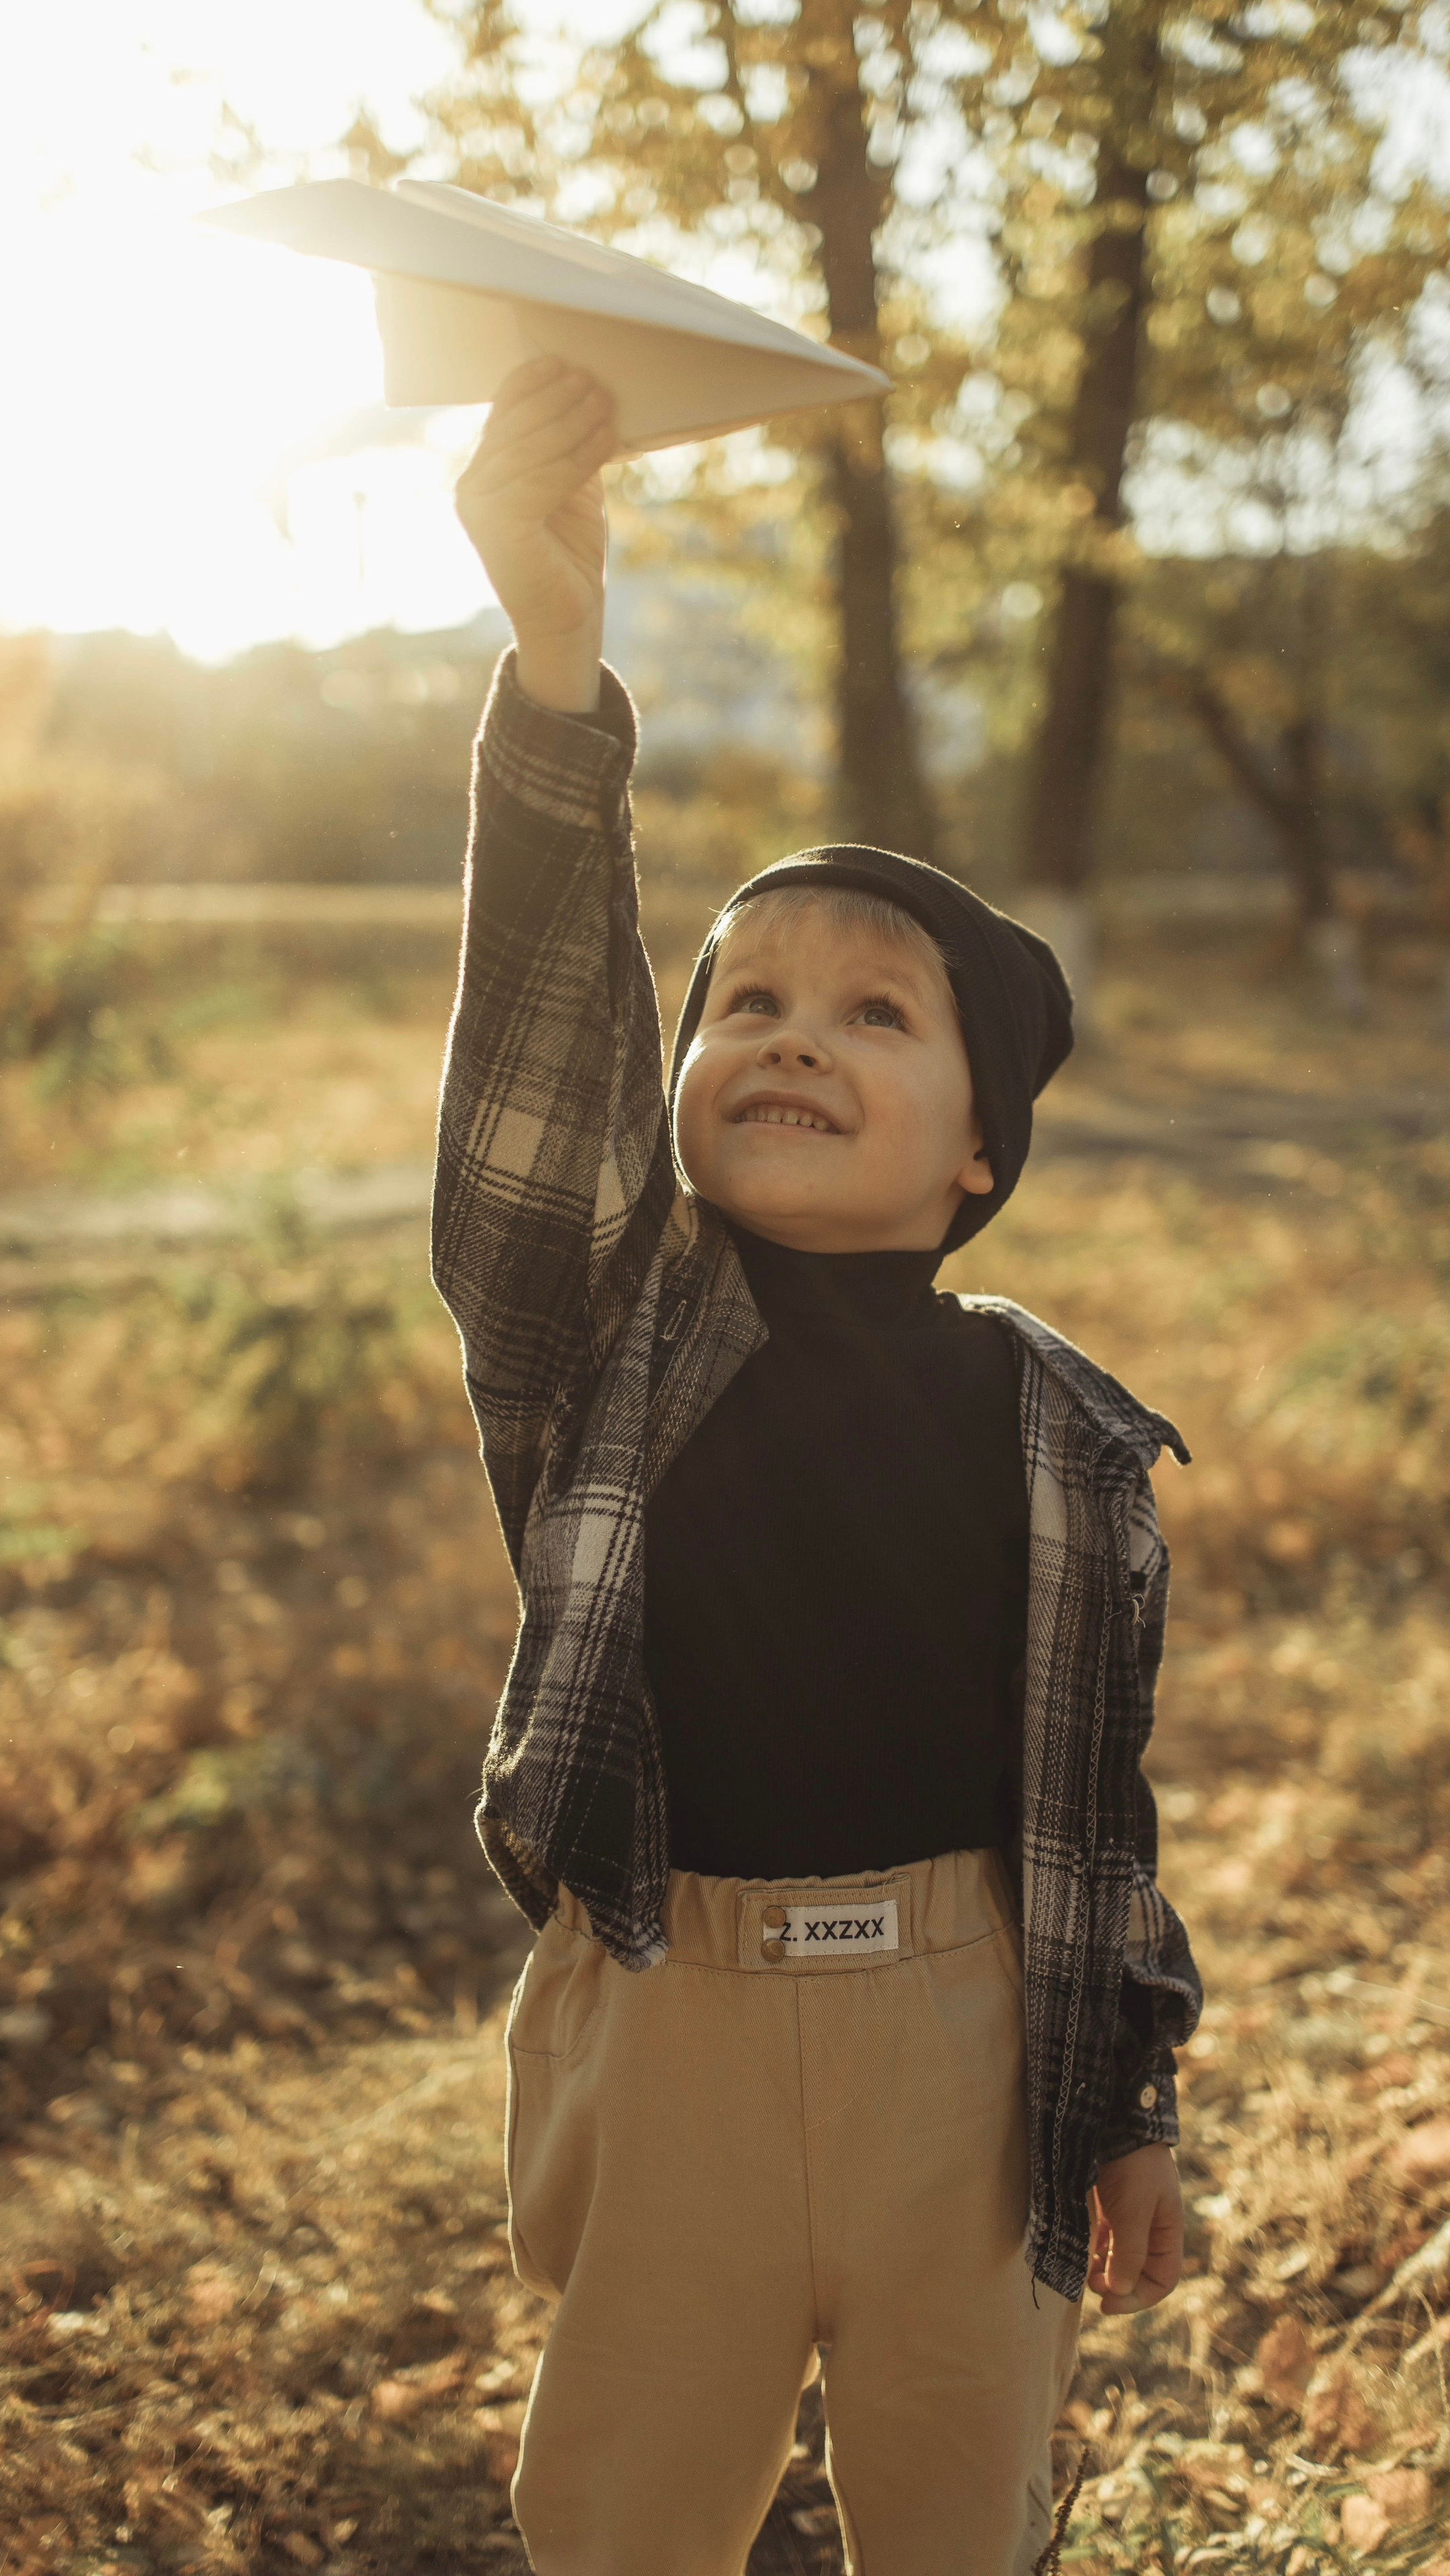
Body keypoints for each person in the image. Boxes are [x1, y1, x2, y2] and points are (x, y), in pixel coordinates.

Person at [432, 353, 1203, 2576]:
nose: (786, 1030)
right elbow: (533, 1111)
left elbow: (1095, 1798)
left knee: (967, 2508)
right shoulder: (609, 1337)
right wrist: (559, 668)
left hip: (971, 2044)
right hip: (675, 2015)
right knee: (625, 2516)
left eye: (875, 1011)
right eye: (742, 1000)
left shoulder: (1056, 1429)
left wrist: (1129, 2103)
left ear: (980, 1153)